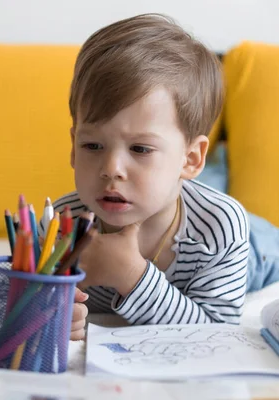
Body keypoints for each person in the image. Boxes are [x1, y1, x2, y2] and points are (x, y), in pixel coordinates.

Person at [56, 13, 258, 340]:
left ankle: (217, 174)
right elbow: (16, 303)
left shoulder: (221, 227)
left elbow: (217, 335)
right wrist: (54, 310)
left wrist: (132, 275)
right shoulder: (62, 225)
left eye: (140, 149)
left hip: (258, 250)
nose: (111, 168)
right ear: (73, 147)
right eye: (92, 144)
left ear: (190, 159)